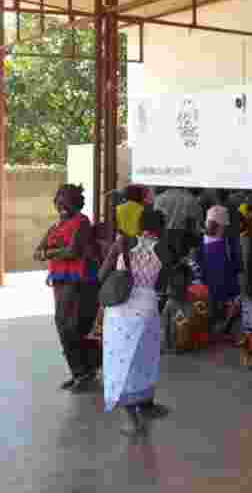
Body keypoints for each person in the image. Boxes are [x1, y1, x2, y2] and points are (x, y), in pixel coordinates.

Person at [99, 208, 170, 436]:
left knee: (121, 363)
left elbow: (101, 275)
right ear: (161, 228)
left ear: (139, 224)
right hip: (147, 309)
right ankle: (146, 405)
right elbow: (162, 285)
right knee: (144, 359)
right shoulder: (164, 249)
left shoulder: (122, 243)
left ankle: (131, 420)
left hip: (120, 311)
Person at [34, 184, 100, 393]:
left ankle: (85, 371)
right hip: (60, 280)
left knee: (72, 326)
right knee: (64, 326)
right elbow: (38, 251)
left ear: (76, 203)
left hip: (79, 281)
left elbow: (73, 251)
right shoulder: (55, 227)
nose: (62, 207)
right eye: (59, 203)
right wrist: (51, 252)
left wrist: (49, 253)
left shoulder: (82, 221)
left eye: (67, 202)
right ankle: (79, 372)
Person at [195, 205, 241, 339]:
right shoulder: (228, 241)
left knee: (215, 306)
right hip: (222, 282)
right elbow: (235, 263)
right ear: (222, 226)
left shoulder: (201, 241)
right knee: (222, 306)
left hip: (212, 282)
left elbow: (198, 263)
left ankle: (215, 329)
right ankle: (220, 329)